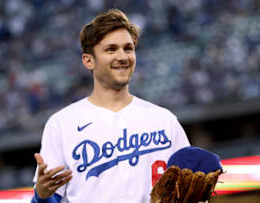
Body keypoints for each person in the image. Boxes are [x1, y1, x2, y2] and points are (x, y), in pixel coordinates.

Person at [31, 8, 190, 203]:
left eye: (128, 48)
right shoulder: (62, 124)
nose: (123, 56)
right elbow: (50, 198)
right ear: (89, 60)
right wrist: (42, 196)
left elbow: (189, 191)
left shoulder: (164, 120)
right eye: (111, 49)